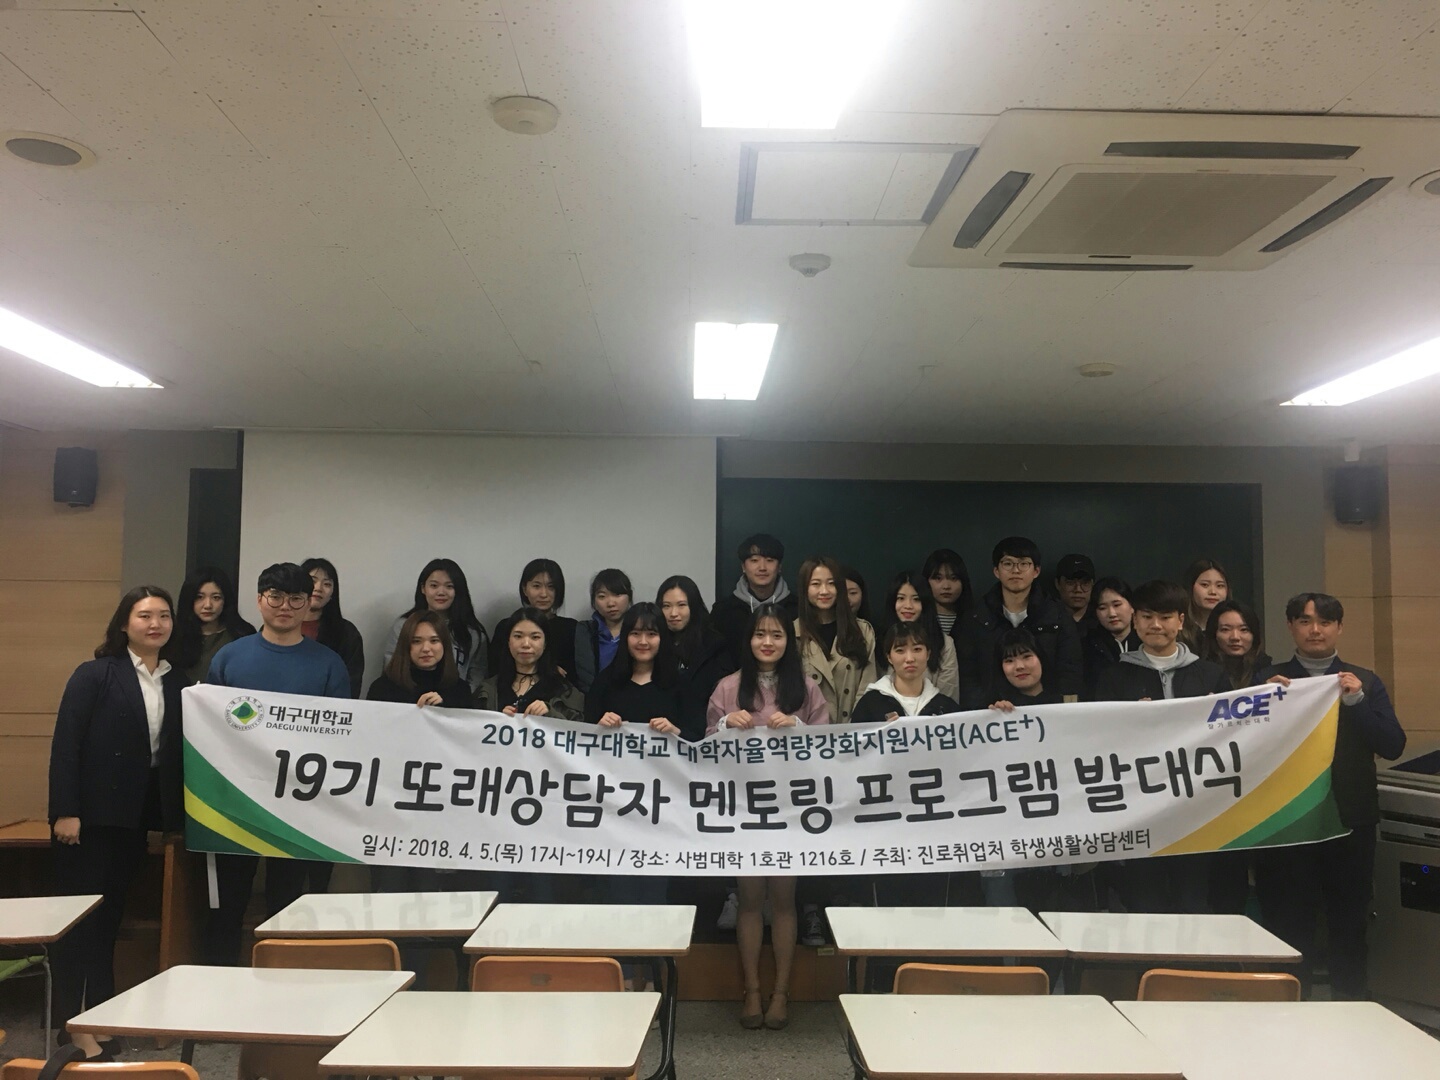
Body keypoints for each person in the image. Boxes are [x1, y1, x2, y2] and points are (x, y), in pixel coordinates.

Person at [48, 586, 186, 1059]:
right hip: (87, 820)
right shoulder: (96, 674)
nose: (155, 623)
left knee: (109, 922)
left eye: (164, 615)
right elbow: (67, 743)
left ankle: (99, 1018)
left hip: (134, 820)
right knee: (78, 924)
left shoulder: (178, 681)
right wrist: (65, 810)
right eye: (144, 615)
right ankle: (71, 1026)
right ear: (124, 623)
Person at [1255, 593, 1406, 999]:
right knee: (1289, 922)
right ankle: (1288, 1005)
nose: (1315, 630)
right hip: (1288, 822)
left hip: (1349, 819)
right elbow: (1244, 752)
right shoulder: (1267, 680)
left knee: (1349, 920)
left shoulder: (1364, 681)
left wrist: (1356, 702)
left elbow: (1393, 745)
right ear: (1291, 627)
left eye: (1324, 622)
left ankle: (1351, 1006)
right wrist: (1260, 706)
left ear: (1339, 628)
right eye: (1305, 621)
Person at [204, 563, 352, 965]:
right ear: (259, 600)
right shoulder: (229, 658)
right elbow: (208, 728)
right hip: (235, 804)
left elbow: (342, 738)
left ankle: (283, 988)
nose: (285, 606)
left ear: (309, 604)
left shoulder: (329, 664)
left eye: (295, 599)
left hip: (299, 807)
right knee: (227, 907)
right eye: (275, 597)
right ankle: (217, 988)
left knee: (288, 907)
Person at [706, 604, 829, 1030]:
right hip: (744, 809)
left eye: (777, 635)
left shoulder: (807, 689)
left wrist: (799, 728)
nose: (768, 642)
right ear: (749, 640)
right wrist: (725, 724)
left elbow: (828, 749)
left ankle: (781, 992)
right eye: (760, 634)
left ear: (788, 642)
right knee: (749, 899)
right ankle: (753, 991)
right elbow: (703, 751)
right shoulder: (728, 687)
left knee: (783, 900)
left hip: (790, 811)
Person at [1093, 579, 1228, 914]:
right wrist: (1129, 722)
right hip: (1140, 811)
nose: (1156, 625)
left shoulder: (1210, 675)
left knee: (1193, 904)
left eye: (1165, 617)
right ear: (1135, 620)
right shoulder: (1113, 678)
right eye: (1147, 616)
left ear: (1180, 621)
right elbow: (1098, 740)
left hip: (1196, 810)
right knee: (1145, 905)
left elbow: (1235, 737)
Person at [585, 602, 680, 911]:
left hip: (663, 804)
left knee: (656, 891)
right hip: (615, 802)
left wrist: (675, 731)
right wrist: (600, 725)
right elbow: (581, 738)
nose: (643, 641)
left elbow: (698, 738)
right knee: (618, 891)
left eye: (651, 633)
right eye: (635, 633)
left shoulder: (678, 684)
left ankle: (658, 944)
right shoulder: (606, 682)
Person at [957, 537, 1082, 707]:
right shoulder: (977, 616)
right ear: (996, 571)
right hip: (994, 712)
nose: (1016, 570)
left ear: (1036, 571)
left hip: (1048, 710)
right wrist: (984, 711)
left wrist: (1060, 709)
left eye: (1024, 564)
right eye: (1008, 563)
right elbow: (968, 675)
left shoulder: (1057, 614)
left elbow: (1070, 670)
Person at [384, 558, 489, 692]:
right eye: (434, 586)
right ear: (423, 588)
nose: (441, 592)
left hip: (454, 701)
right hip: (407, 699)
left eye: (449, 586)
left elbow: (477, 676)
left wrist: (457, 697)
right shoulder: (403, 625)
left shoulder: (473, 633)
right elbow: (392, 668)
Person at [794, 555, 876, 726]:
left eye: (831, 583)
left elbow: (868, 687)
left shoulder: (862, 631)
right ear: (804, 589)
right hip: (810, 733)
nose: (824, 591)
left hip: (855, 731)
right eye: (816, 584)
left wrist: (853, 729)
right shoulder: (792, 633)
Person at [657, 575, 734, 741]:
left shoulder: (714, 645)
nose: (673, 613)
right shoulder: (653, 643)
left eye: (681, 605)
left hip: (703, 736)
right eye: (666, 606)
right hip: (659, 734)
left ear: (694, 606)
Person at [477, 606, 583, 720]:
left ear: (545, 643)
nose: (526, 644)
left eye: (535, 637)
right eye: (518, 636)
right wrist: (497, 719)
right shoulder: (487, 690)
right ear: (508, 641)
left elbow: (578, 728)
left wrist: (551, 714)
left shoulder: (565, 691)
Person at [710, 533, 798, 667]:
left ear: (780, 567)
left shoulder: (797, 608)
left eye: (769, 560)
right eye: (754, 560)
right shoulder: (723, 610)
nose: (762, 567)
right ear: (743, 567)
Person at [487, 558, 579, 680]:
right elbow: (495, 670)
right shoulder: (506, 626)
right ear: (525, 589)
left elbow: (575, 675)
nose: (543, 594)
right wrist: (544, 668)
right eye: (536, 586)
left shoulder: (572, 628)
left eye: (551, 587)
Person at [367, 611, 477, 710]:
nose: (426, 648)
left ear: (444, 644)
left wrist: (444, 708)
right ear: (405, 645)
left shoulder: (460, 690)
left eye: (434, 641)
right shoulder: (382, 688)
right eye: (416, 641)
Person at [881, 571, 959, 700]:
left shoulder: (944, 644)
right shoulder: (879, 640)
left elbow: (948, 698)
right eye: (901, 598)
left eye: (916, 599)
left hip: (933, 711)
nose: (908, 606)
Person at [172, 566, 255, 684]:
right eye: (199, 597)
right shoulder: (175, 636)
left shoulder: (242, 635)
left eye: (216, 598)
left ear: (225, 600)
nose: (208, 605)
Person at [300, 557, 365, 697]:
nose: (318, 588)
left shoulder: (347, 633)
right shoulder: (278, 627)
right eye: (312, 581)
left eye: (327, 584)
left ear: (332, 594)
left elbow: (351, 684)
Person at [573, 568, 632, 693]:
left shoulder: (638, 630)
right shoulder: (586, 630)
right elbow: (585, 676)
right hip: (595, 698)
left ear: (629, 597)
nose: (610, 603)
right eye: (602, 596)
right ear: (594, 601)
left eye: (617, 594)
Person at [1082, 576, 1140, 697]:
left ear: (1132, 606)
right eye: (1102, 608)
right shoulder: (1087, 646)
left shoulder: (1147, 642)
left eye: (1117, 605)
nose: (1112, 613)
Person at [988, 628, 1066, 710]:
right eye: (1009, 661)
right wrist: (999, 713)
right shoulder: (997, 706)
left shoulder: (1066, 700)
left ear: (1041, 658)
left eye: (1026, 657)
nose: (1019, 666)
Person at [1203, 598, 1271, 690]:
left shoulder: (1268, 672)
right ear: (1214, 633)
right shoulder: (1199, 674)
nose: (1235, 637)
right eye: (1225, 629)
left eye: (1244, 630)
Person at [923, 547, 972, 654]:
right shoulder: (918, 620)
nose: (946, 586)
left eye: (953, 578)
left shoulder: (974, 621)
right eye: (938, 578)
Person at [1179, 558, 1229, 653]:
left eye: (1220, 586)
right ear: (1190, 587)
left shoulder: (1234, 631)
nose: (1213, 592)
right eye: (1205, 585)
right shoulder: (1177, 628)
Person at [1054, 553, 1097, 629]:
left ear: (1093, 584)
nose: (1078, 590)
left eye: (1085, 583)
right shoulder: (1045, 620)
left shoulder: (1103, 622)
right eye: (1070, 582)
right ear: (1057, 584)